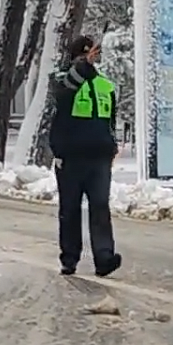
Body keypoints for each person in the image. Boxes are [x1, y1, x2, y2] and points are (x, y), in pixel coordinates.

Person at [49, 35, 122, 277]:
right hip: (70, 158)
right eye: (84, 55)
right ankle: (69, 258)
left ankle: (105, 258)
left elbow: (110, 119)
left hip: (99, 157)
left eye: (92, 55)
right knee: (70, 209)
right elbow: (63, 94)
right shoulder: (63, 79)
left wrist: (112, 145)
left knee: (100, 207)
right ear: (75, 57)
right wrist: (82, 66)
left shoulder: (105, 85)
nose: (90, 59)